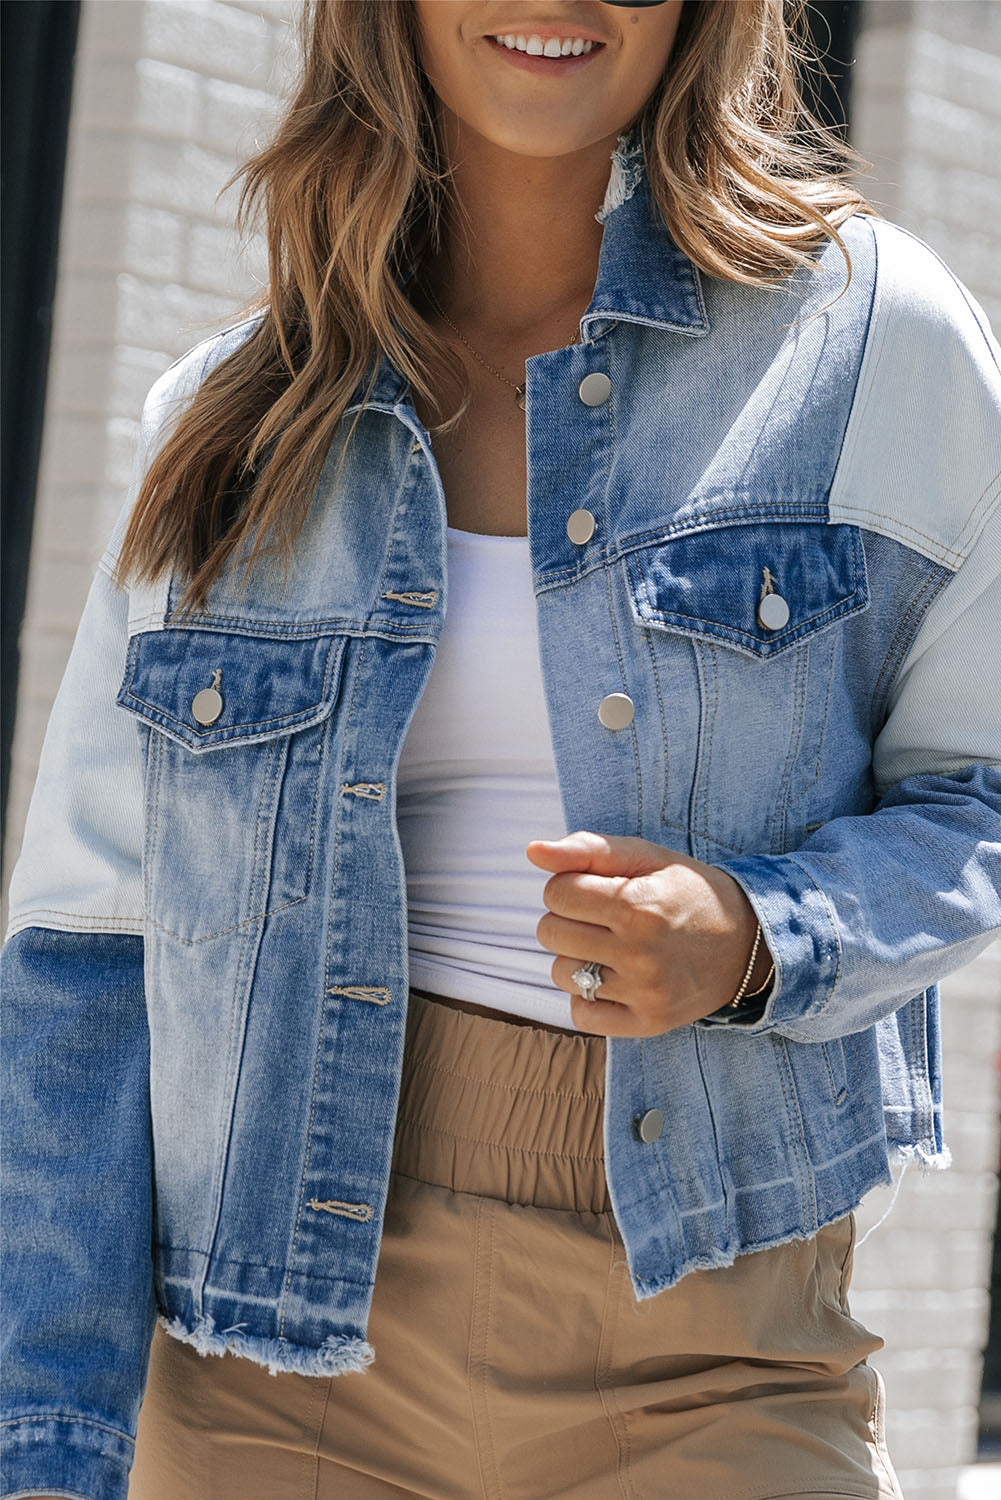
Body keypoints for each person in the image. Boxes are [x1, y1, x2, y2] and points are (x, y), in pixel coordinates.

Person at [3, 0, 1000, 1495]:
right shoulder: (228, 422)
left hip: (714, 1352)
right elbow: (86, 954)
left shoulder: (870, 341)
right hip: (271, 1364)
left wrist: (757, 933)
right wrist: (54, 1444)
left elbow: (978, 792)